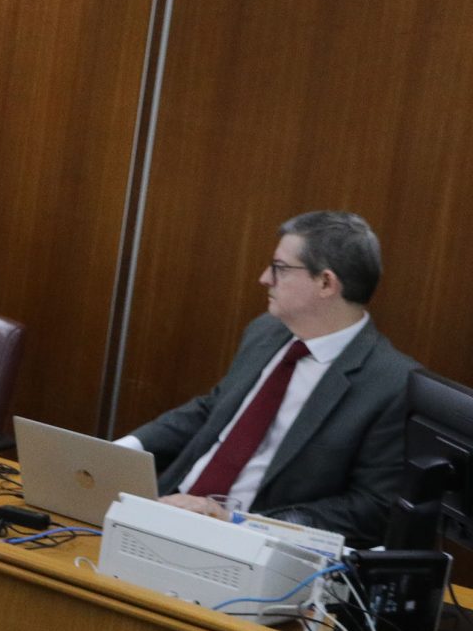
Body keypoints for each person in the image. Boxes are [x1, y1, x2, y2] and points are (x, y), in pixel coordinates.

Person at [118, 211, 417, 545]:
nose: (264, 278)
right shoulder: (266, 332)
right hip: (166, 507)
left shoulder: (393, 384)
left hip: (254, 546)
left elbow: (371, 509)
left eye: (280, 268)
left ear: (326, 283)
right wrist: (120, 452)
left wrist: (236, 520)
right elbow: (212, 410)